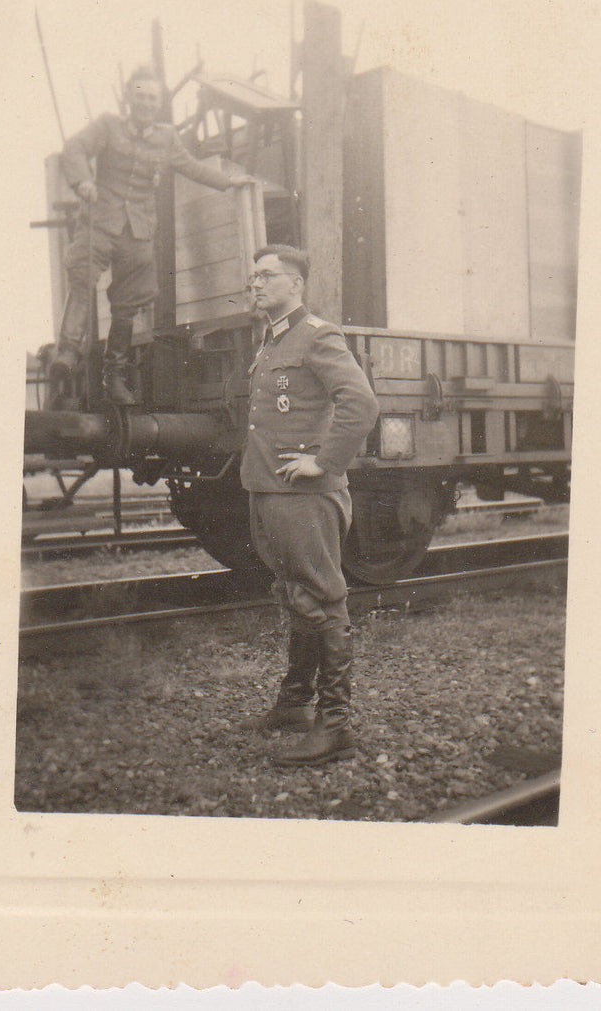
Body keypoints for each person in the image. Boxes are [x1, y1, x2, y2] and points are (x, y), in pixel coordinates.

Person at [240, 245, 380, 766]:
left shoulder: (317, 335)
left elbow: (360, 403)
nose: (255, 284)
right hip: (269, 489)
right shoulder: (271, 339)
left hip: (303, 497)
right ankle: (296, 703)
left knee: (321, 597)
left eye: (266, 276)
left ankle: (336, 724)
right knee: (294, 593)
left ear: (295, 283)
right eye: (252, 276)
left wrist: (325, 461)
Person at [53, 67, 251, 405]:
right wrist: (83, 181)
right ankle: (68, 353)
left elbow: (190, 165)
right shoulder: (107, 126)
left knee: (128, 304)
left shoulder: (166, 137)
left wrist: (228, 181)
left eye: (152, 98)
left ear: (159, 104)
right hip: (101, 220)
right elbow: (73, 149)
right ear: (129, 96)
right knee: (83, 274)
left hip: (138, 228)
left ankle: (113, 376)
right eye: (141, 95)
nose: (146, 103)